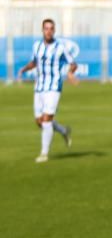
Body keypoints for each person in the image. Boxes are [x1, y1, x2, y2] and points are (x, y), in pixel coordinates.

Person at [17, 18, 76, 163]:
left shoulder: (60, 47)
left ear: (54, 31)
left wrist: (70, 73)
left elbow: (73, 63)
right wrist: (24, 69)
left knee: (46, 120)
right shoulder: (37, 46)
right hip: (39, 87)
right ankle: (63, 131)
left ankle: (44, 154)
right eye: (46, 28)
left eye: (51, 28)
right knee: (39, 121)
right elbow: (34, 62)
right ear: (42, 30)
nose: (48, 31)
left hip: (54, 87)